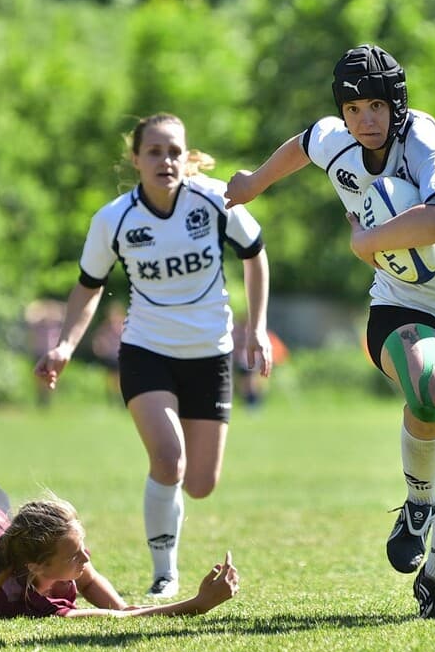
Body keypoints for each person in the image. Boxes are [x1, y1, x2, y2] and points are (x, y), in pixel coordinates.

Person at [226, 44, 435, 619]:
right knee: (430, 384)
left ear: (397, 105)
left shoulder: (427, 145)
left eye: (375, 107)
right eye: (353, 108)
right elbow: (302, 145)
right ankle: (418, 503)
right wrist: (255, 183)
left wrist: (366, 240)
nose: (364, 120)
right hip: (405, 302)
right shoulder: (335, 136)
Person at [35, 113, 272, 600]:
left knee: (201, 484)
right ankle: (165, 574)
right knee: (169, 460)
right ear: (136, 159)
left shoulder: (214, 199)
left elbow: (255, 253)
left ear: (186, 157)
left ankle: (172, 517)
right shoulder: (114, 219)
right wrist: (64, 345)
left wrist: (259, 327)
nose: (165, 160)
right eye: (154, 151)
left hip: (211, 354)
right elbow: (88, 288)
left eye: (174, 151)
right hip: (147, 352)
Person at [0, 390, 240, 619]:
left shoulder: (32, 555)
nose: (86, 558)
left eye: (81, 546)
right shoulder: (30, 598)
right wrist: (199, 604)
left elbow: (90, 582)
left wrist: (120, 606)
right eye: (75, 554)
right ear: (36, 566)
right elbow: (114, 622)